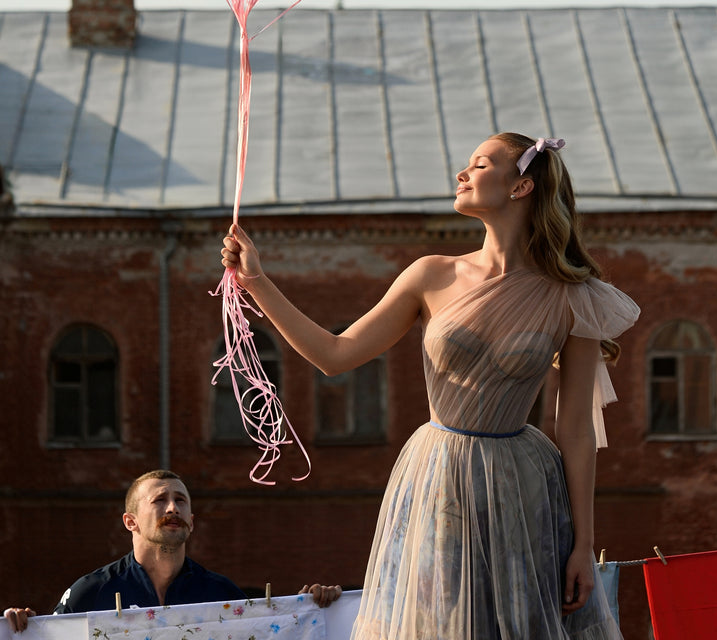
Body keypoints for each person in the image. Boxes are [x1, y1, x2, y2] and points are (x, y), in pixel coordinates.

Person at [220, 132, 640, 640]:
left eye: (480, 165)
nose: (462, 174)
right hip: (438, 476)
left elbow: (574, 429)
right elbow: (335, 355)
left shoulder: (573, 296)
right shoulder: (431, 275)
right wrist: (258, 282)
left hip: (524, 486)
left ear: (522, 186)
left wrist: (583, 545)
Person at [3, 469, 341, 633]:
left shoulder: (221, 595)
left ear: (191, 521)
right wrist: (22, 628)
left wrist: (308, 609)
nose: (172, 508)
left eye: (180, 501)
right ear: (130, 521)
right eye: (160, 500)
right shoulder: (90, 593)